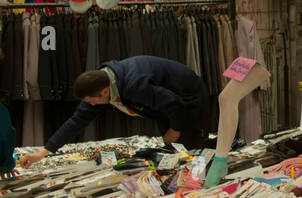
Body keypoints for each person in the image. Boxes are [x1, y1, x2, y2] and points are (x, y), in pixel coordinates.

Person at [17, 56, 209, 167]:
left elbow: (174, 104)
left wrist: (175, 128)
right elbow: (76, 121)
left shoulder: (135, 86)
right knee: (172, 150)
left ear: (105, 92)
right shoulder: (102, 83)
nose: (91, 105)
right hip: (165, 106)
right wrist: (43, 152)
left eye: (91, 101)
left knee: (191, 152)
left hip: (189, 99)